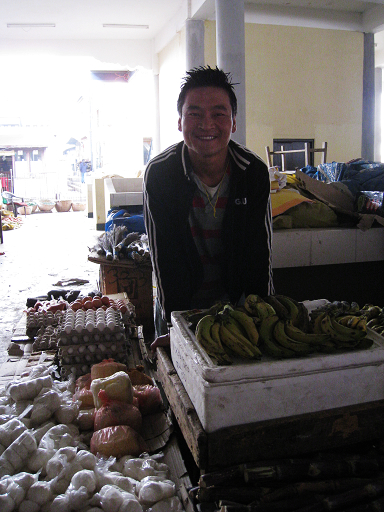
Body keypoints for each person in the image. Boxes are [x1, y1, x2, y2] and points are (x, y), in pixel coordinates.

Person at [143, 66, 274, 350]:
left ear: (234, 122)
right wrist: (173, 328)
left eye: (218, 113)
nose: (206, 124)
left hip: (237, 311)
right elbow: (164, 259)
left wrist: (264, 320)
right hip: (180, 309)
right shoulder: (161, 174)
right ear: (180, 121)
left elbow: (259, 255)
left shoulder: (252, 173)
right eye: (195, 114)